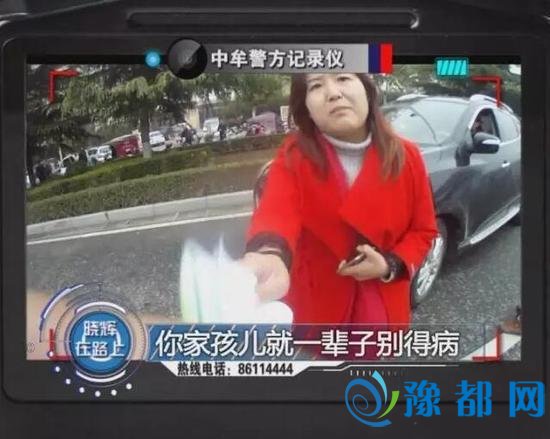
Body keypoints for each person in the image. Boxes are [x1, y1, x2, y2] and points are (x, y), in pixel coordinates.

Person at [241, 73, 438, 330]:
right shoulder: (294, 156)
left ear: (367, 90)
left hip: (383, 308)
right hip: (315, 310)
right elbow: (275, 213)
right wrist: (269, 254)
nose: (333, 93)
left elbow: (423, 230)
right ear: (305, 105)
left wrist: (389, 264)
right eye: (316, 85)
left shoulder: (407, 156)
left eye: (343, 78)